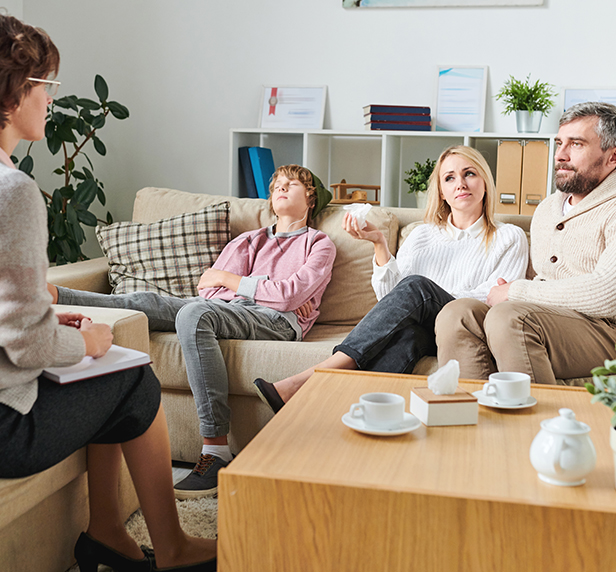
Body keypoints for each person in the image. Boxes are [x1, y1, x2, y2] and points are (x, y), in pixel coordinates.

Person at [0, 14, 216, 572]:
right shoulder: (14, 191)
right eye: (47, 84)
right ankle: (171, 549)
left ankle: (105, 533)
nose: (50, 99)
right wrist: (89, 343)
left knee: (111, 372)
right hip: (6, 427)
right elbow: (27, 349)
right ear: (15, 89)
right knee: (133, 377)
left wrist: (40, 306)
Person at [50, 163, 336, 498]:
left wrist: (244, 285)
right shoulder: (248, 241)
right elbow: (208, 288)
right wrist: (269, 291)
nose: (282, 188)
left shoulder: (318, 244)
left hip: (277, 323)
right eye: (276, 186)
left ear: (311, 199)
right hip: (233, 311)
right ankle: (58, 296)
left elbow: (287, 295)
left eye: (292, 184)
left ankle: (216, 451)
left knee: (194, 315)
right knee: (149, 301)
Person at [253, 145, 529, 412]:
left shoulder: (509, 236)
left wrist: (430, 295)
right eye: (449, 178)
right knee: (407, 336)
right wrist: (379, 244)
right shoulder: (423, 235)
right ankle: (347, 416)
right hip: (425, 330)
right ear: (442, 192)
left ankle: (317, 375)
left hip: (465, 326)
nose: (460, 183)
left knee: (419, 287)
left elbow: (493, 298)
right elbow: (392, 302)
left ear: (484, 182)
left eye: (469, 173)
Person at [435, 102, 616, 385]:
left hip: (605, 330)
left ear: (612, 157)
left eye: (576, 144)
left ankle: (533, 427)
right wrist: (514, 288)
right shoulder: (547, 209)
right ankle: (467, 418)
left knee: (509, 318)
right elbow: (542, 277)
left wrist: (517, 291)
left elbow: (608, 293)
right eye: (559, 143)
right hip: (549, 320)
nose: (561, 155)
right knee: (456, 313)